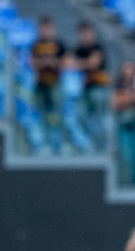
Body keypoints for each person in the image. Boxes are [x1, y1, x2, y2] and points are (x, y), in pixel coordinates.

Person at [30, 15, 66, 154]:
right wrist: (44, 62)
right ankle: (45, 145)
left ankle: (62, 144)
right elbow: (32, 62)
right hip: (41, 84)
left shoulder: (58, 44)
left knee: (58, 114)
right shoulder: (37, 45)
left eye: (49, 28)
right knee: (42, 115)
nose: (46, 31)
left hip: (55, 84)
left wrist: (53, 63)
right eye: (44, 28)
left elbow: (66, 62)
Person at [75, 21, 110, 151]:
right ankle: (96, 145)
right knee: (83, 117)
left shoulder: (98, 47)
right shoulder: (79, 49)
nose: (86, 36)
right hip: (86, 90)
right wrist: (85, 63)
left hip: (100, 89)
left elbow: (94, 64)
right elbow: (67, 62)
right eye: (83, 33)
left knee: (102, 119)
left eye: (88, 32)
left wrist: (79, 63)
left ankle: (106, 145)